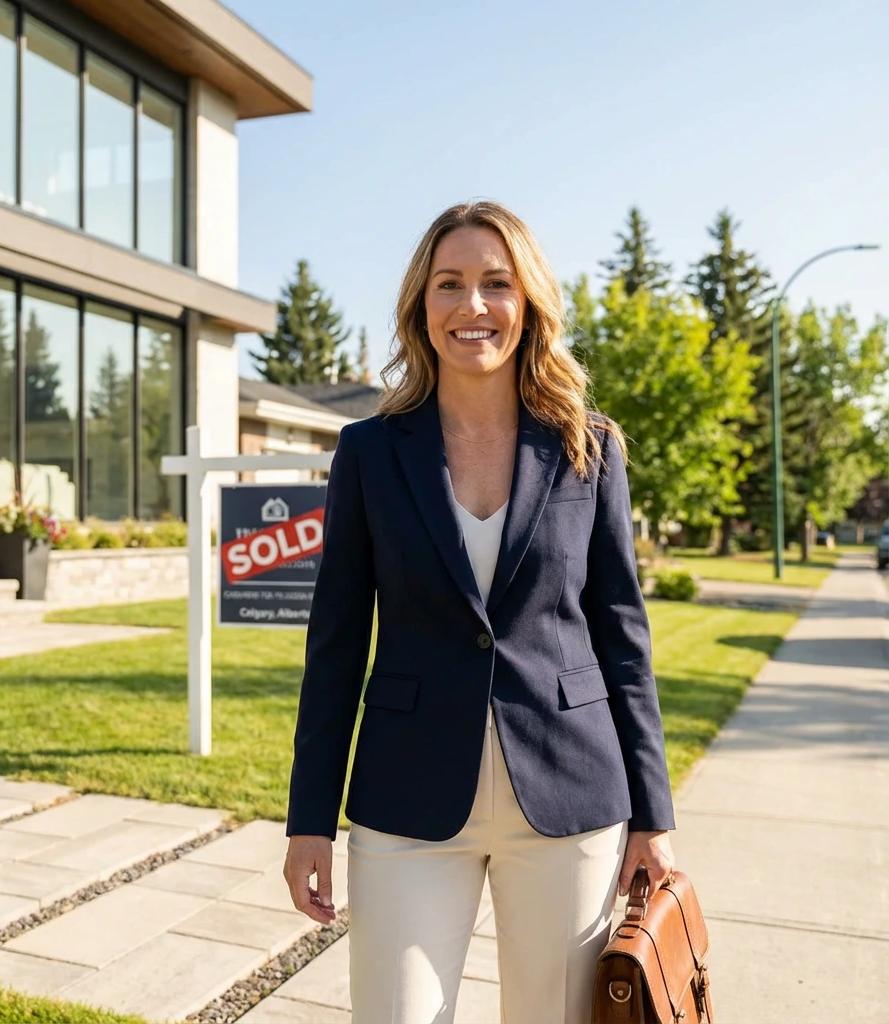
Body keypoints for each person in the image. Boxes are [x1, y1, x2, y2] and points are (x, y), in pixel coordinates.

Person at [282, 200, 675, 1024]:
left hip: (570, 800)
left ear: (527, 302)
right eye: (449, 283)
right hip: (407, 799)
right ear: (420, 306)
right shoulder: (368, 453)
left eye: (496, 283)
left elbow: (622, 638)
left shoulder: (589, 447)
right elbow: (337, 643)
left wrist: (653, 816)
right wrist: (308, 819)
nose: (473, 305)